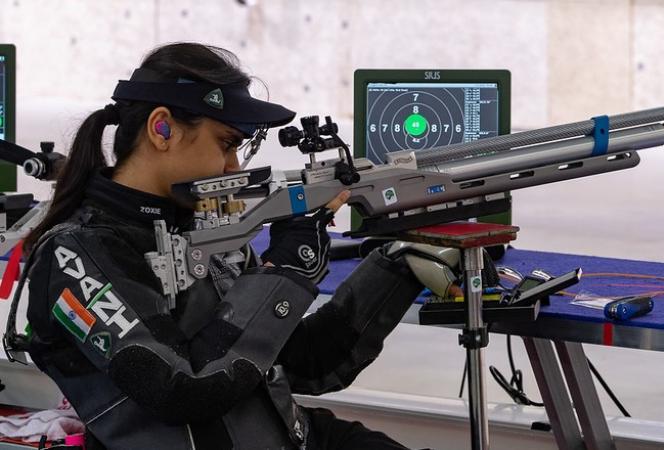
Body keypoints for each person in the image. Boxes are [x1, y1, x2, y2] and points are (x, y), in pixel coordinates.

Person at [19, 43, 457, 449]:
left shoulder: (204, 228)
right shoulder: (77, 252)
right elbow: (182, 389)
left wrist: (395, 267)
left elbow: (308, 363)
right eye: (226, 144)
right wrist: (284, 274)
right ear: (162, 128)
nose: (233, 166)